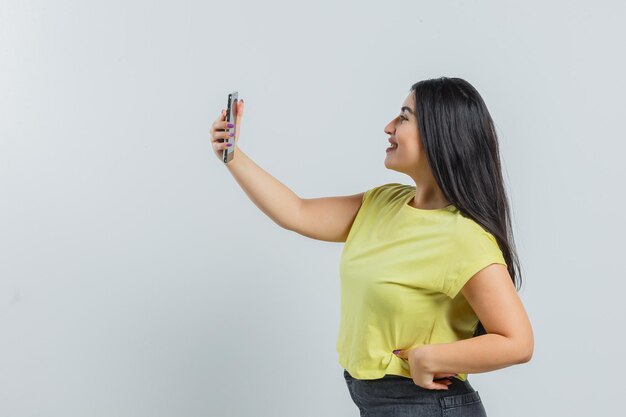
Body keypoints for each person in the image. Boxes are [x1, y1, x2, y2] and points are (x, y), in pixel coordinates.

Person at [209, 77, 533, 417]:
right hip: (379, 404)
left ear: (441, 135)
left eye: (404, 117)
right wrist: (233, 157)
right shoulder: (383, 202)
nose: (388, 127)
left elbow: (518, 341)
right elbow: (296, 212)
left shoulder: (464, 237)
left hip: (427, 406)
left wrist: (431, 358)